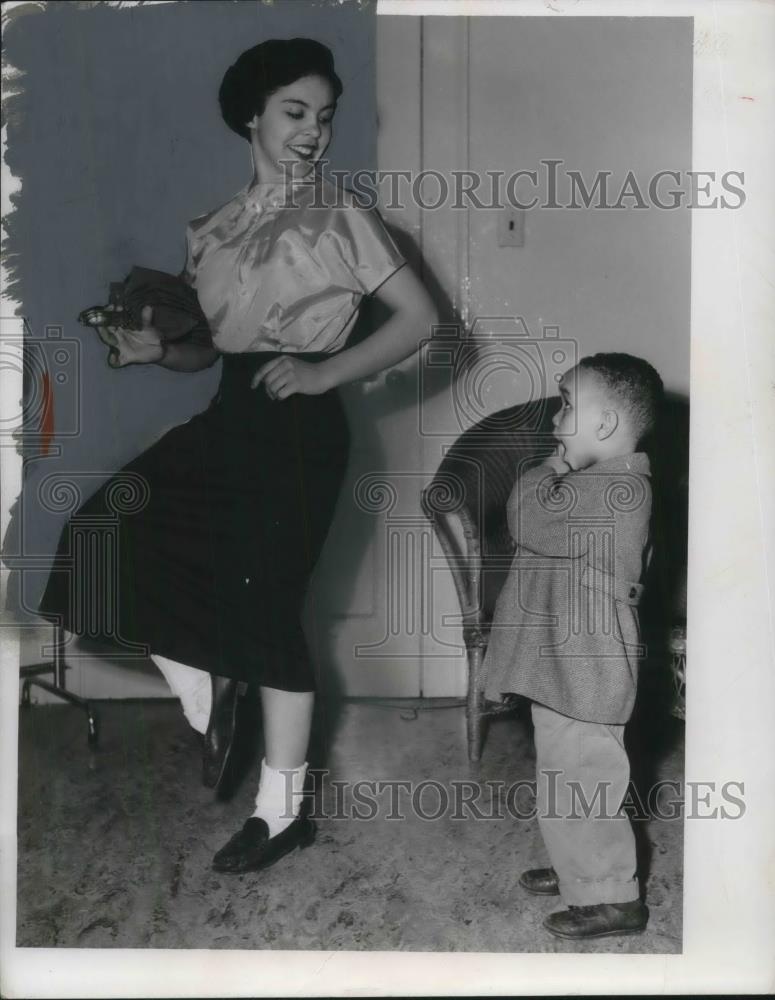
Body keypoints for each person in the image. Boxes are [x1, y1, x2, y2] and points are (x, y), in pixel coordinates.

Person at [39, 38, 436, 874]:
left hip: (301, 434)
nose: (312, 131)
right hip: (232, 416)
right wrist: (157, 353)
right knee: (99, 535)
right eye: (295, 112)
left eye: (324, 117)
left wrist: (327, 368)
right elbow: (210, 352)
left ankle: (281, 812)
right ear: (250, 115)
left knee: (267, 615)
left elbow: (419, 321)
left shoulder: (342, 215)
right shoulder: (209, 230)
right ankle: (208, 684)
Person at [482, 353, 663, 939]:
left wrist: (546, 467)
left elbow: (526, 518)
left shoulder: (620, 492)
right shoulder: (595, 484)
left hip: (587, 667)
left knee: (583, 776)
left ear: (605, 426)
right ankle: (579, 871)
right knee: (566, 773)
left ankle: (611, 897)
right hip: (566, 662)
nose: (556, 419)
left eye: (566, 403)